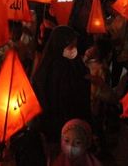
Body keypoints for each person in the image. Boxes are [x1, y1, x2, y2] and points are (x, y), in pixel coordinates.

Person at [32, 26, 91, 158]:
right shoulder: (53, 69)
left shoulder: (71, 65)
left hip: (67, 128)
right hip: (57, 128)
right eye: (70, 46)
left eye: (74, 45)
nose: (73, 50)